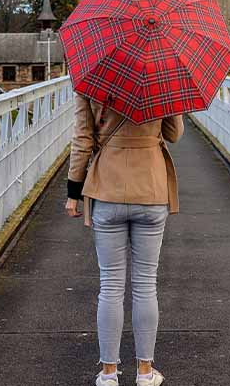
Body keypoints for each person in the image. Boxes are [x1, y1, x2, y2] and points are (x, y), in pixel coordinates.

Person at [66, 94, 185, 386]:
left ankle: (108, 374)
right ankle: (145, 372)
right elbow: (174, 134)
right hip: (151, 190)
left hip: (107, 190)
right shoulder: (162, 78)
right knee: (145, 284)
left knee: (110, 286)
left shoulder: (91, 82)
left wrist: (73, 192)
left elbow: (82, 140)